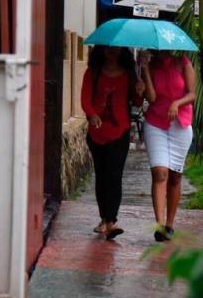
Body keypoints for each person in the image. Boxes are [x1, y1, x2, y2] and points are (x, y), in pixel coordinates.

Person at [81, 45, 144, 239]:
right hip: (97, 133)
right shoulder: (93, 73)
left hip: (120, 132)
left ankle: (111, 220)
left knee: (115, 176)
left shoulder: (129, 74)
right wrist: (92, 115)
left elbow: (137, 102)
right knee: (101, 176)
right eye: (108, 47)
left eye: (116, 48)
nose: (112, 50)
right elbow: (85, 99)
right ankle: (104, 218)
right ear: (101, 49)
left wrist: (139, 90)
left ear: (122, 50)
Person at [140, 50, 196, 242]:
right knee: (160, 172)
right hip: (156, 123)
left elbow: (192, 94)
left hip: (181, 124)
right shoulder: (150, 66)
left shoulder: (183, 63)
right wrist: (145, 70)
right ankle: (160, 225)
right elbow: (152, 98)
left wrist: (176, 103)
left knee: (175, 176)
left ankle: (170, 224)